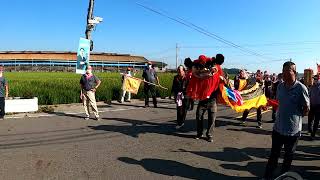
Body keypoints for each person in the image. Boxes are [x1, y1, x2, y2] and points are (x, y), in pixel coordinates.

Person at [263, 61, 309, 180]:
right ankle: (267, 177)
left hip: (292, 132)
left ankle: (284, 178)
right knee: (273, 156)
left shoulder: (301, 88)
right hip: (278, 129)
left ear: (294, 72)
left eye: (287, 70)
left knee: (288, 159)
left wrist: (295, 117)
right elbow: (279, 102)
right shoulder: (280, 86)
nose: (284, 73)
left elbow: (306, 109)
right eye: (283, 71)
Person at [307, 74, 320, 140]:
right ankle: (310, 130)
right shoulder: (312, 87)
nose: (314, 80)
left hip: (318, 106)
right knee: (310, 119)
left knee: (316, 121)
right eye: (314, 79)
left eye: (316, 79)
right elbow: (309, 95)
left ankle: (313, 134)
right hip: (311, 105)